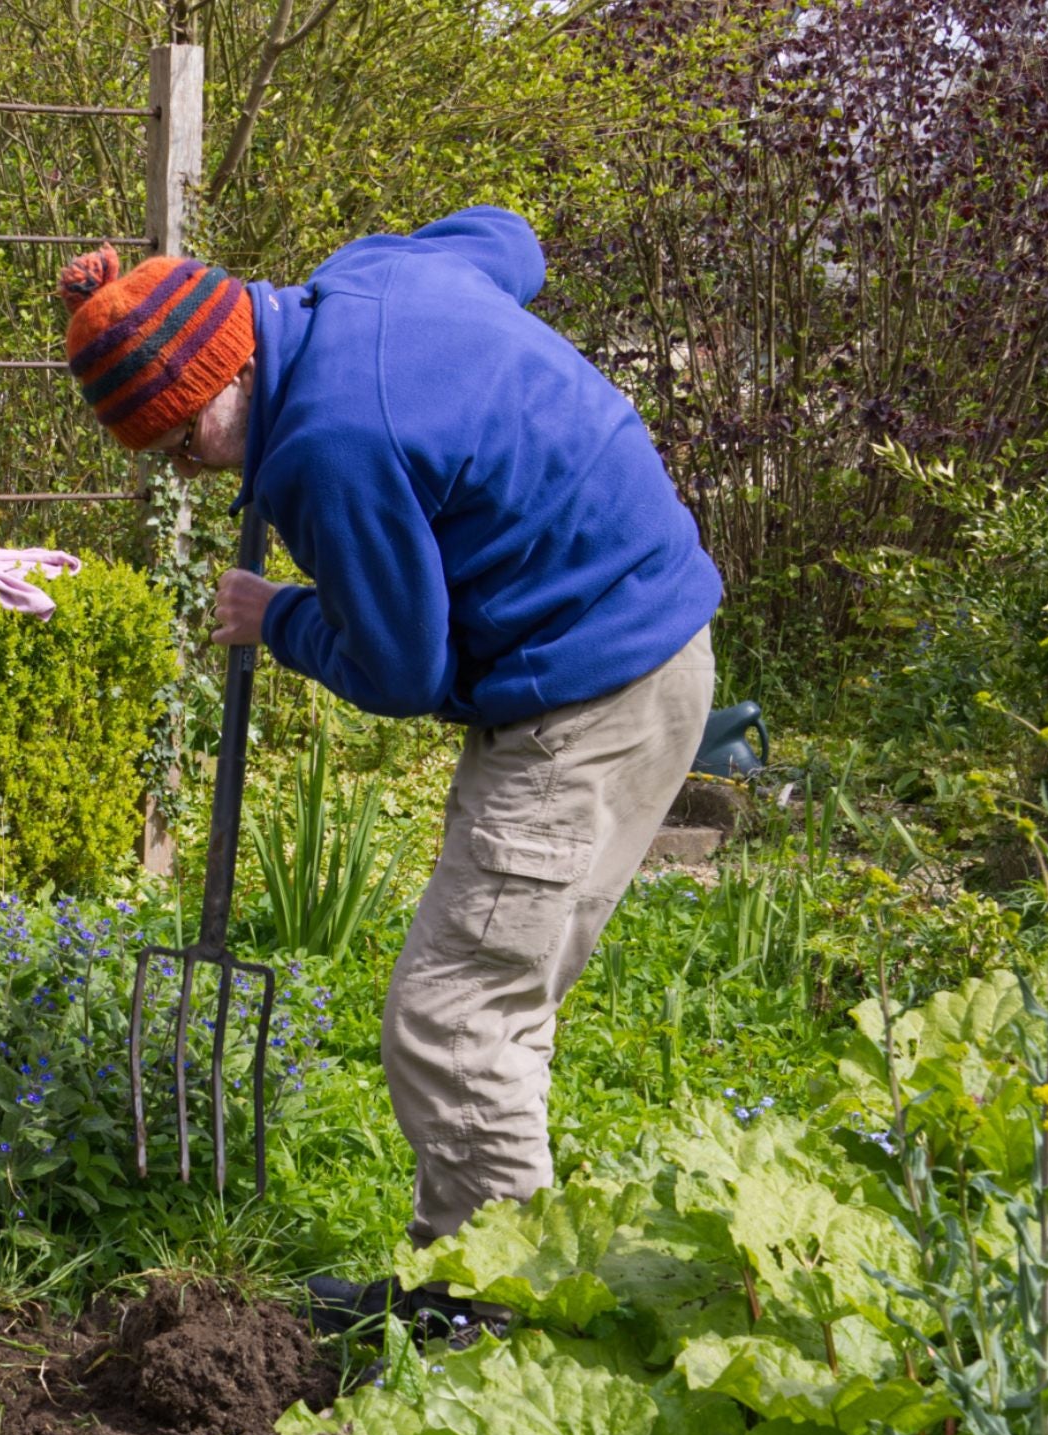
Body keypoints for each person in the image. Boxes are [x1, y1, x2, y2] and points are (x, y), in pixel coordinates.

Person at [58, 207, 723, 1333]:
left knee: (454, 1019)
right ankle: (456, 1276)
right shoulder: (364, 277)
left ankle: (494, 1330)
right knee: (495, 1006)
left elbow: (403, 665)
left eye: (180, 441)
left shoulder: (328, 450)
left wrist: (280, 619)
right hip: (641, 633)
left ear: (229, 372)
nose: (185, 470)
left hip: (590, 691)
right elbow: (510, 243)